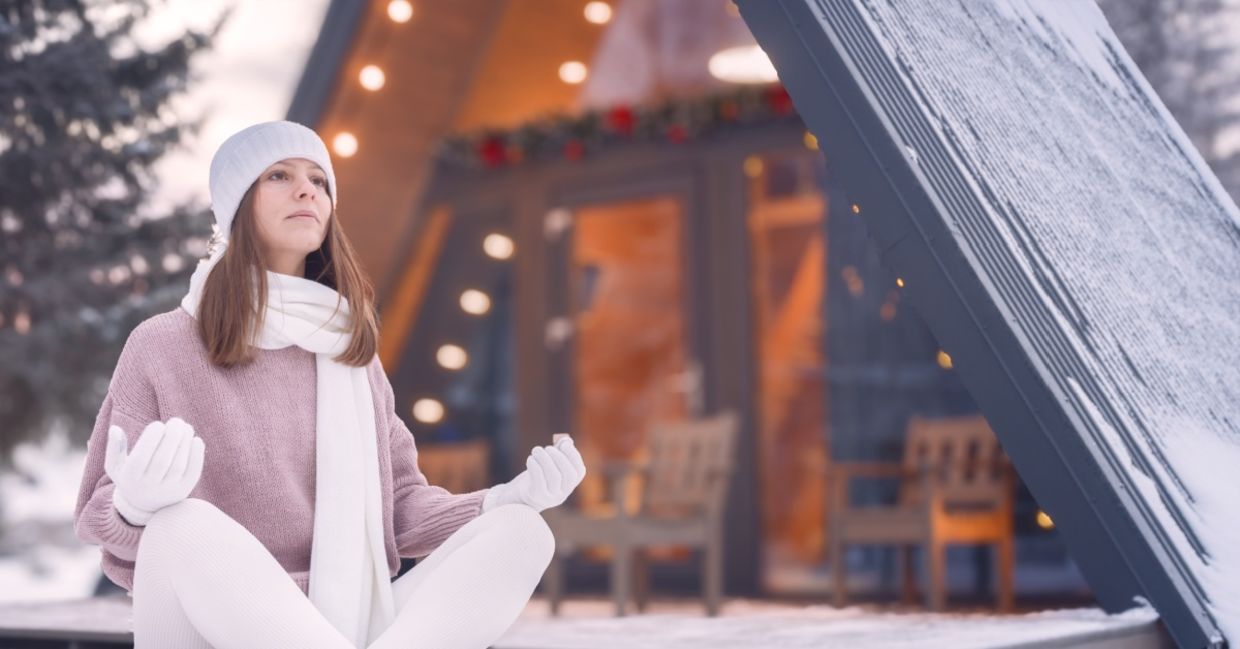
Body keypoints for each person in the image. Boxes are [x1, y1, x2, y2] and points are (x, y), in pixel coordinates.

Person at [72, 120, 587, 648]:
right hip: (212, 618)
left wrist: (507, 498)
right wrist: (134, 506)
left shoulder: (348, 349)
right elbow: (96, 513)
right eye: (279, 175)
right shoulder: (163, 344)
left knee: (522, 532)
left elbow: (401, 505)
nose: (306, 191)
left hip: (345, 617)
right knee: (181, 524)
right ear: (235, 204)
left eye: (318, 181)